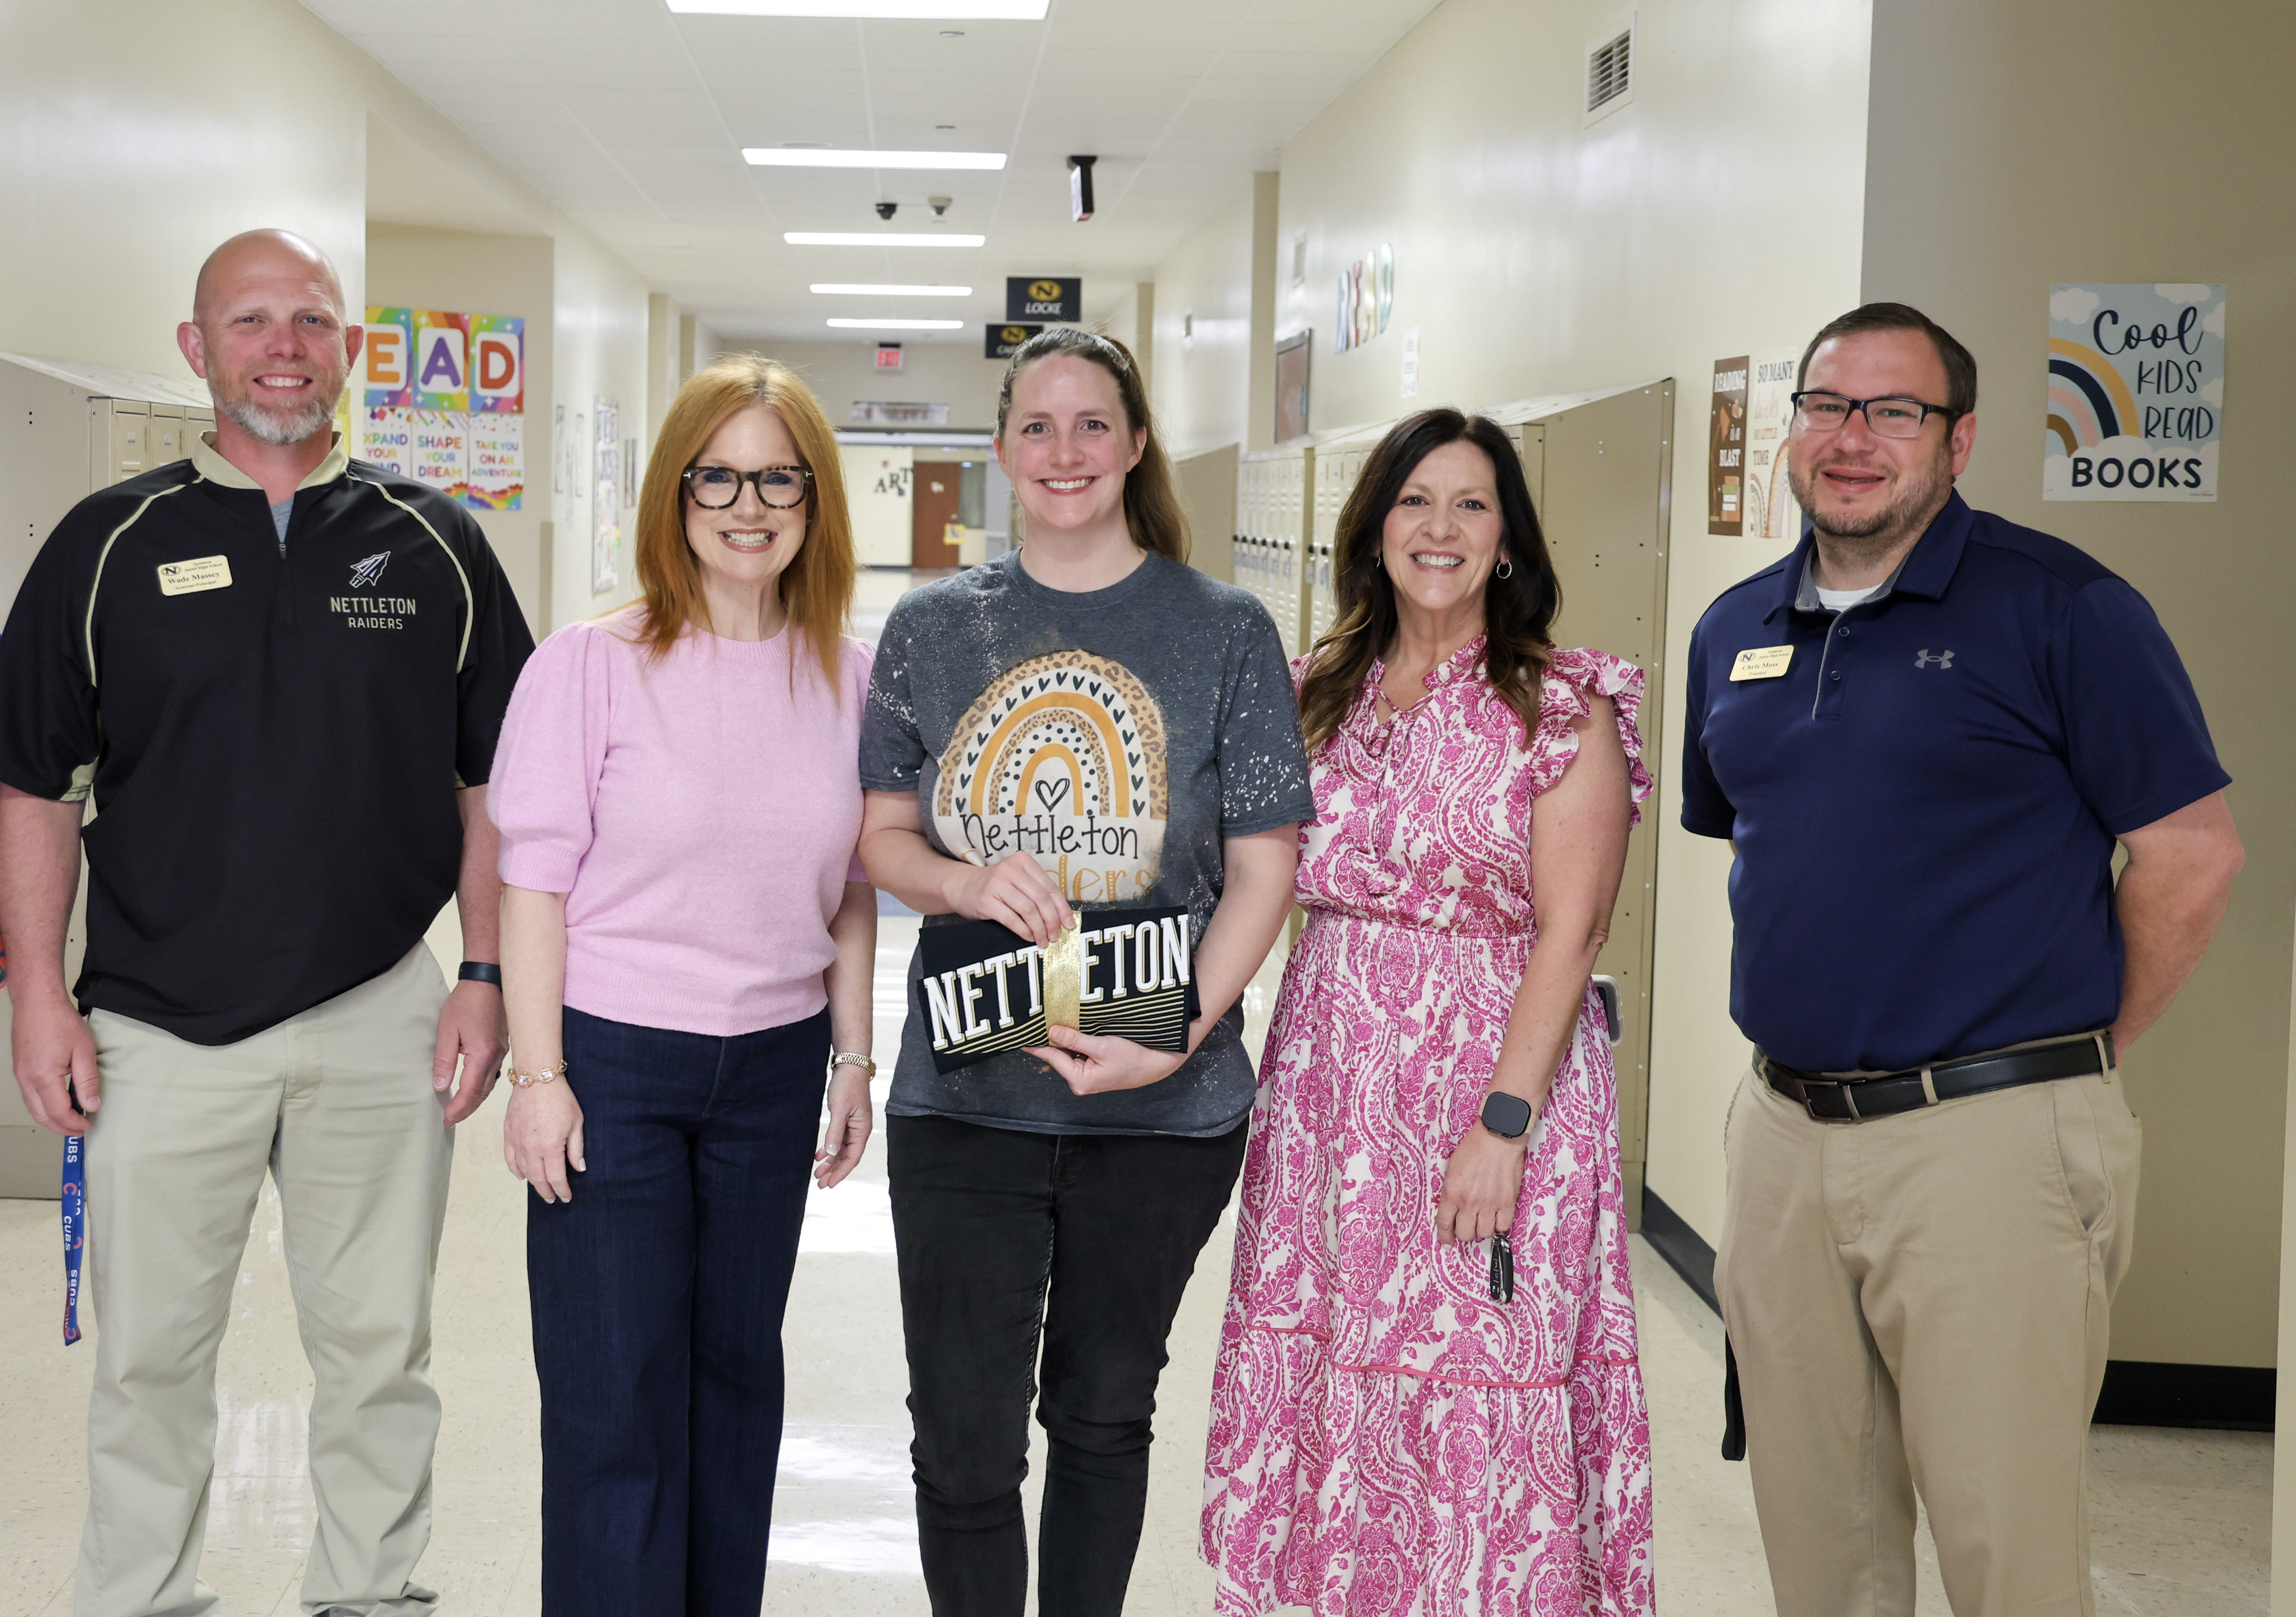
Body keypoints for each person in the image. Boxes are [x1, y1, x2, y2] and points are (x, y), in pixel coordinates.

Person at [0, 229, 533, 1617]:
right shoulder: (106, 544)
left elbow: (499, 789)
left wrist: (481, 974)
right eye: (248, 321)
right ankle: (141, 1596)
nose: (281, 345)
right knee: (150, 1356)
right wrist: (40, 998)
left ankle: (368, 1591)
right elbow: (34, 787)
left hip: (377, 1011)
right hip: (158, 1024)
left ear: (349, 347)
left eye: (310, 319)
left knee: (377, 1351)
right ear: (195, 349)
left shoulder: (437, 543)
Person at [1681, 302, 2242, 1617]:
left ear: (1959, 438)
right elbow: (1761, 841)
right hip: (1781, 1130)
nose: (1853, 439)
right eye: (1825, 407)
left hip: (1989, 1135)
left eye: (1894, 412)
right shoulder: (1732, 628)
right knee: (1816, 1540)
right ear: (1789, 429)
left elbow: (2189, 854)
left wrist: (2070, 1050)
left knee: (2005, 1547)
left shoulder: (2059, 607)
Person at [857, 327, 1310, 1617]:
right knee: (961, 1442)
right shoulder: (932, 626)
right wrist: (957, 880)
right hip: (968, 1096)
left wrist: (1176, 1037)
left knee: (1104, 1418)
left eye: (1092, 424)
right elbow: (879, 831)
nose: (1065, 452)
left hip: (1159, 1111)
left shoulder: (1222, 629)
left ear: (1134, 444)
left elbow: (1262, 862)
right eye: (1038, 427)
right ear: (1001, 449)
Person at [1201, 408, 1656, 1614]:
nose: (1439, 527)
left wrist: (1503, 1121)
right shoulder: (1315, 688)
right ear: (1375, 526)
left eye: (1470, 503)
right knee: (1335, 1375)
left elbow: (1576, 927)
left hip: (1489, 1093)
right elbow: (1245, 871)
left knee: (1477, 1382)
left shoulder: (1562, 702)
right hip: (1330, 1098)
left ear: (1507, 535)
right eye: (1415, 501)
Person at [490, 355, 879, 1616]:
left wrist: (850, 1060)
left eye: (778, 477)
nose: (746, 503)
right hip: (614, 1064)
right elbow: (531, 880)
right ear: (675, 492)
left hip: (770, 1067)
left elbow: (855, 886)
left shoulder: (849, 673)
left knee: (732, 1387)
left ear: (815, 501)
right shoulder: (588, 663)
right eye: (717, 475)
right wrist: (537, 1076)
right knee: (615, 1399)